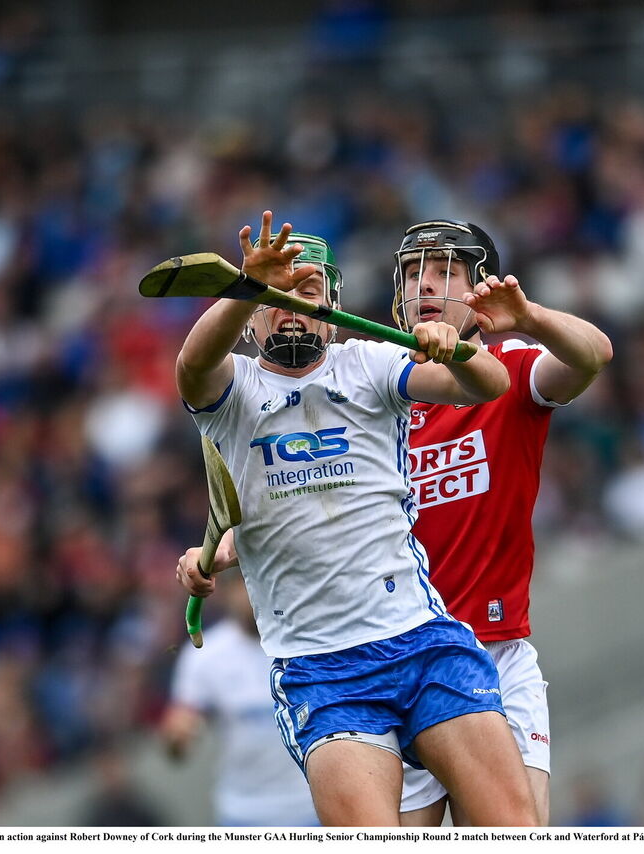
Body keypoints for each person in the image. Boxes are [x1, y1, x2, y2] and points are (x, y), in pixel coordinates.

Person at [173, 211, 537, 826]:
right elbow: (192, 363)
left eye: (308, 293)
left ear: (332, 303)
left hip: (423, 640)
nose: (291, 307)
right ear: (254, 318)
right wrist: (243, 285)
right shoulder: (231, 391)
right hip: (324, 673)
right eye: (274, 298)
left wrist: (458, 353)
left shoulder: (369, 363)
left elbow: (491, 384)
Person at [390, 219, 613, 826]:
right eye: (414, 273)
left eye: (444, 272)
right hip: (401, 666)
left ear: (479, 288)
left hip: (497, 656)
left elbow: (594, 356)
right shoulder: (378, 387)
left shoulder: (513, 367)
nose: (425, 286)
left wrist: (531, 318)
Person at [160, 572, 320, 826]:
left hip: (313, 805)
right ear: (225, 593)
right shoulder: (205, 654)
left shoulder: (311, 641)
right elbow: (177, 737)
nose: (251, 595)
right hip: (243, 812)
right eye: (243, 585)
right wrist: (177, 736)